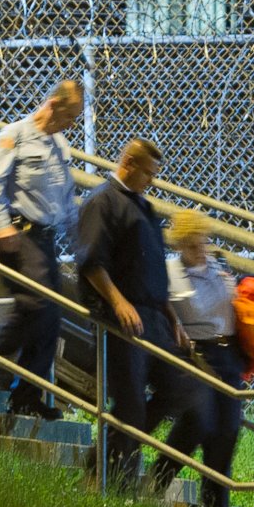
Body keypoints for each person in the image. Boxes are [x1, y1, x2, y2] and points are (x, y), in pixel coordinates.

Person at [71, 137, 190, 489]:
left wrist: (173, 319)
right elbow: (91, 262)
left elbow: (154, 270)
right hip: (123, 318)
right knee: (130, 402)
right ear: (128, 164)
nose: (151, 180)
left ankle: (107, 451)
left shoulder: (145, 208)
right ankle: (116, 479)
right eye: (148, 173)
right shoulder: (102, 202)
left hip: (154, 317)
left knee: (176, 391)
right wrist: (119, 302)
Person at [0, 79, 84, 414]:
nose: (72, 123)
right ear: (54, 105)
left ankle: (28, 397)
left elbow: (66, 197)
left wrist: (79, 239)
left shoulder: (59, 144)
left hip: (45, 239)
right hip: (19, 233)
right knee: (36, 302)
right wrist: (0, 227)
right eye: (71, 115)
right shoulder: (14, 135)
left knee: (49, 316)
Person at [160, 209, 247, 507]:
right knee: (199, 422)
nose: (201, 251)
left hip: (228, 352)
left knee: (227, 431)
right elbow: (163, 307)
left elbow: (232, 306)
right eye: (194, 246)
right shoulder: (171, 272)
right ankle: (159, 477)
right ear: (180, 245)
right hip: (198, 353)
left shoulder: (216, 268)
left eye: (204, 244)